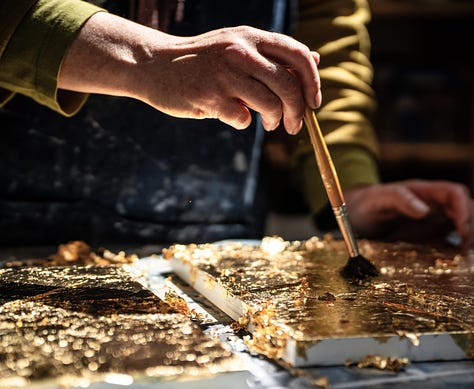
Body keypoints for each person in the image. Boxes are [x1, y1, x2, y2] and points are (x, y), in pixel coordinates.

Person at [1, 0, 473, 250]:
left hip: (220, 238)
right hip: (19, 227)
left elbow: (322, 46)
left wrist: (352, 188)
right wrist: (147, 59)